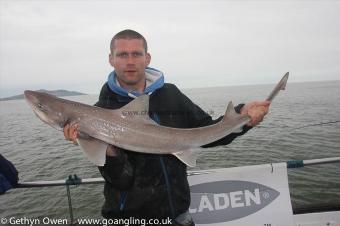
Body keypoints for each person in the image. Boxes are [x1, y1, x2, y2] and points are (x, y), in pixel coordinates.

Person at [63, 29, 270, 225]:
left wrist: (243, 118)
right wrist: (104, 148)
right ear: (111, 59)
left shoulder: (171, 94)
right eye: (122, 54)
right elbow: (121, 180)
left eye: (136, 54)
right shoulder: (101, 112)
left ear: (148, 58)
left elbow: (208, 131)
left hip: (179, 216)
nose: (130, 61)